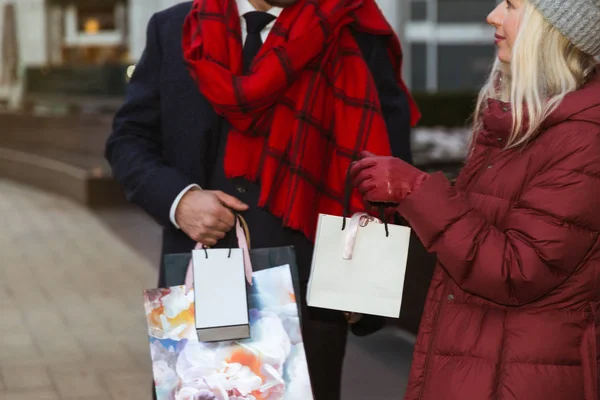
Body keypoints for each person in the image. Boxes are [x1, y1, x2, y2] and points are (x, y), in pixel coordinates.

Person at [105, 0, 419, 398]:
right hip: (201, 283)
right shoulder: (173, 29)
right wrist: (180, 200)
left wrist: (365, 289)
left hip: (312, 299)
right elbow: (128, 141)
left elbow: (388, 169)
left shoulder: (352, 30)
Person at [349, 0, 600, 398]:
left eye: (513, 6)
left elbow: (516, 269)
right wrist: (409, 201)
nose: (494, 15)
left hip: (519, 377)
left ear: (553, 29)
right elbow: (476, 227)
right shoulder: (523, 122)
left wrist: (417, 190)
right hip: (479, 362)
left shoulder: (584, 139)